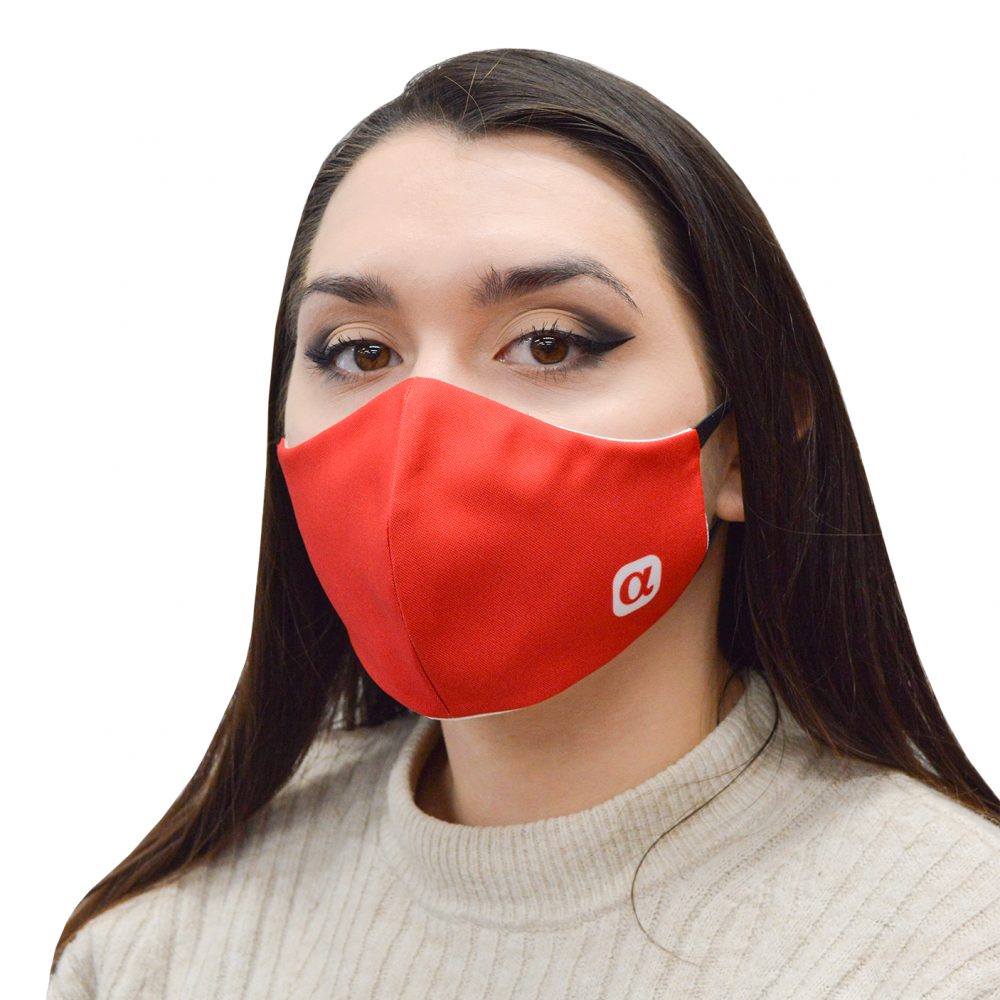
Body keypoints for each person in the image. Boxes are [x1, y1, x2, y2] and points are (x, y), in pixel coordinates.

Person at [49, 48, 1000, 999]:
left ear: (748, 448)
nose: (419, 431)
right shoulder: (149, 951)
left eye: (548, 343)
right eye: (360, 351)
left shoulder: (956, 948)